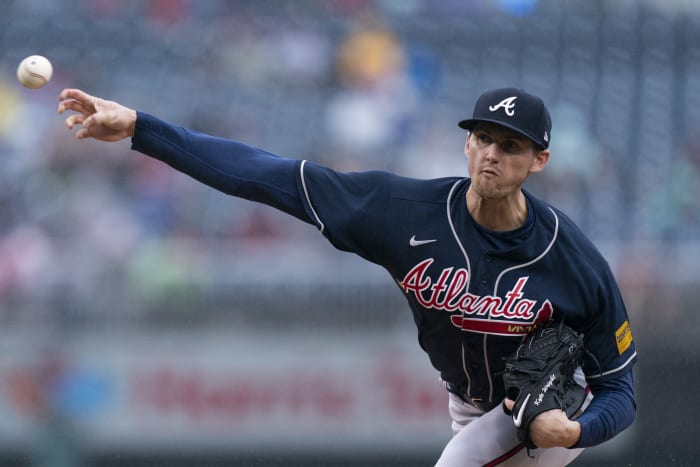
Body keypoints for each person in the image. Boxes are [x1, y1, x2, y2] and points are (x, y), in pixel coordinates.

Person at [57, 86, 637, 466]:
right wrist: (140, 127)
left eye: (510, 146)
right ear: (466, 142)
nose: (491, 154)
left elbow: (620, 390)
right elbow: (267, 176)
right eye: (482, 137)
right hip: (467, 402)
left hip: (539, 417)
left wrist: (577, 432)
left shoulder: (574, 260)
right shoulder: (400, 209)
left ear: (539, 160)